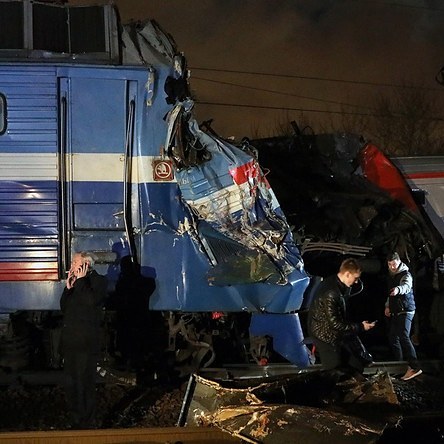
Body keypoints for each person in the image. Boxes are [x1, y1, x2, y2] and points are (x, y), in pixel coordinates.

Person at [60, 251, 108, 428]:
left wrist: (80, 282)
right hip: (71, 342)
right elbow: (64, 308)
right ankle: (75, 418)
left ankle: (87, 420)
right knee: (71, 382)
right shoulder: (76, 284)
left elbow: (90, 302)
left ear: (86, 265)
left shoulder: (98, 281)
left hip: (85, 344)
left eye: (75, 262)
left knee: (84, 382)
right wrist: (68, 289)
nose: (71, 266)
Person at [308, 258, 376, 379]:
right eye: (355, 278)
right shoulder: (331, 293)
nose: (356, 282)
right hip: (324, 335)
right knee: (334, 371)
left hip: (335, 332)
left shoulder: (337, 284)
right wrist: (361, 326)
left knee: (355, 362)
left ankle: (353, 384)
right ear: (347, 274)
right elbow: (335, 324)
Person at [384, 252, 422, 381]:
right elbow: (390, 294)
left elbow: (406, 286)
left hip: (406, 310)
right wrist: (387, 306)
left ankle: (415, 367)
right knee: (393, 337)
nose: (392, 267)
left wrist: (398, 290)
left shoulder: (406, 274)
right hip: (396, 310)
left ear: (399, 262)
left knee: (404, 336)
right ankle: (399, 364)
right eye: (390, 265)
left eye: (394, 264)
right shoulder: (392, 276)